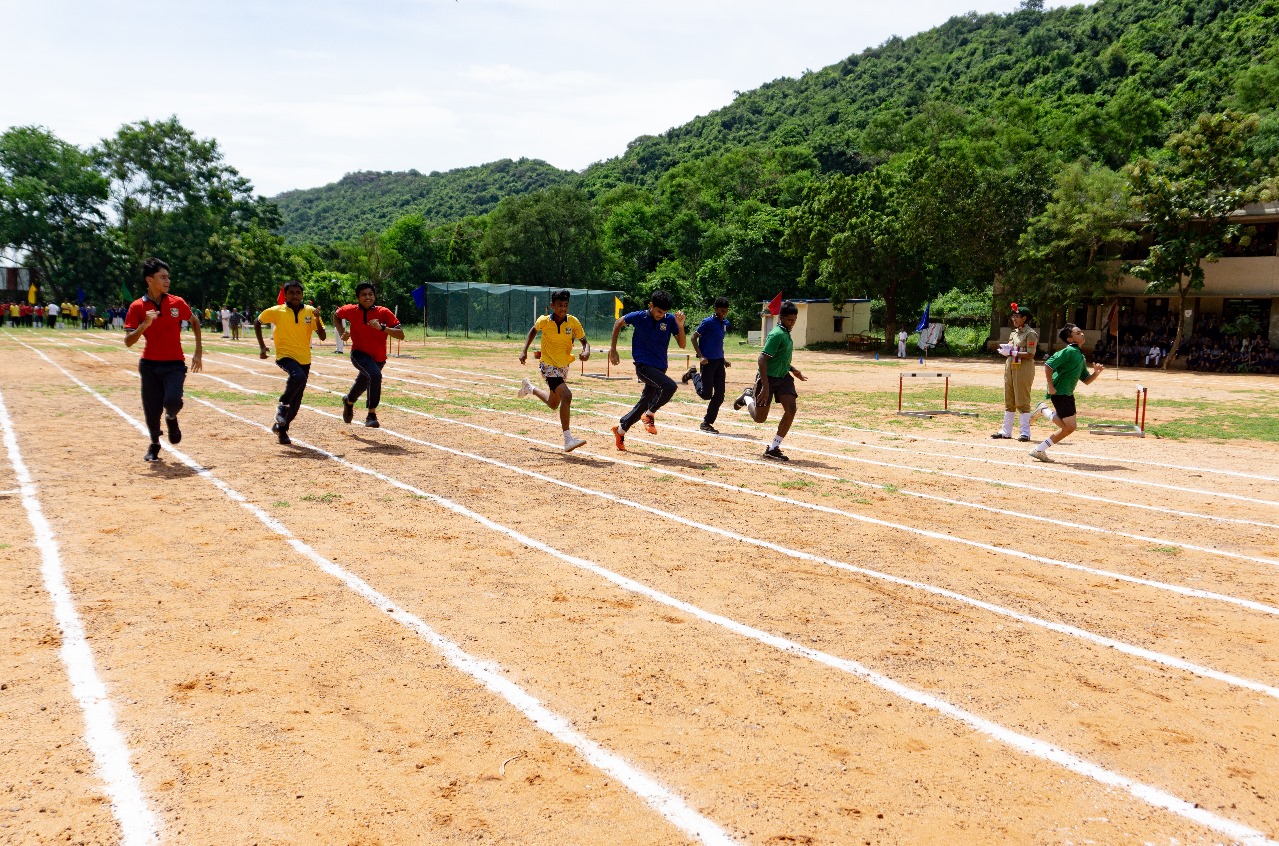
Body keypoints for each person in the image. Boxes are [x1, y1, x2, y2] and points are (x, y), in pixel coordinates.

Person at [123, 258, 203, 461]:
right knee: (152, 409)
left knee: (173, 401)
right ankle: (154, 444)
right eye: (162, 277)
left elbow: (194, 321)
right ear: (149, 280)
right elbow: (128, 341)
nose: (168, 281)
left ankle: (171, 416)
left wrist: (198, 352)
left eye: (168, 277)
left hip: (174, 364)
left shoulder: (177, 302)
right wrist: (144, 325)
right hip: (149, 365)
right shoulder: (137, 306)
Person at [607, 289, 686, 451]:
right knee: (670, 386)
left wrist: (680, 326)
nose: (661, 315)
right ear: (651, 305)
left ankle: (620, 429)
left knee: (644, 402)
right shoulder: (639, 316)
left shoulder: (670, 320)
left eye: (664, 312)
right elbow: (618, 323)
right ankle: (650, 414)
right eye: (658, 311)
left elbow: (682, 344)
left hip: (660, 367)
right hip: (643, 366)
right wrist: (613, 349)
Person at [732, 301, 807, 460]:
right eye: (789, 320)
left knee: (791, 409)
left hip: (783, 378)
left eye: (794, 320)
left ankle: (773, 448)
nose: (792, 323)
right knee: (760, 418)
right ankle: (747, 397)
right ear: (781, 318)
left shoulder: (786, 333)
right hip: (767, 378)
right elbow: (762, 359)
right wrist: (765, 388)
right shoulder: (777, 334)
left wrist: (793, 370)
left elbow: (779, 357)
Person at [517, 289, 589, 452]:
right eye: (559, 305)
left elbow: (585, 341)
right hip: (548, 365)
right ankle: (568, 439)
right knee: (567, 395)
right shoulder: (544, 321)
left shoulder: (573, 322)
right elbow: (533, 331)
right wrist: (524, 350)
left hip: (563, 366)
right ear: (552, 306)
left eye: (565, 305)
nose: (563, 309)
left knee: (553, 403)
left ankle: (529, 388)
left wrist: (586, 351)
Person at [255, 281, 326, 445]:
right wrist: (262, 346)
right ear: (285, 294)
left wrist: (317, 319)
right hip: (285, 356)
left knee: (296, 402)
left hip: (304, 359)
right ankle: (282, 405)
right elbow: (257, 322)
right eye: (291, 292)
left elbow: (322, 337)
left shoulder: (310, 312)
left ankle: (281, 429)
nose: (295, 296)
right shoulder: (277, 311)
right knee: (298, 377)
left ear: (302, 294)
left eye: (298, 292)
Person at [1029, 323, 1104, 462]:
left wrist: (1096, 373)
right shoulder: (1068, 351)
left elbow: (1086, 380)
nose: (1082, 334)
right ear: (1070, 339)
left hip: (1068, 393)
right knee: (1070, 427)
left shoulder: (1080, 356)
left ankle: (1040, 444)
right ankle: (1043, 416)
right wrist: (1050, 386)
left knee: (1068, 428)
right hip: (1059, 392)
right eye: (1078, 333)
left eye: (1081, 331)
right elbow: (1048, 365)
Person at [333, 282, 403, 429]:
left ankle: (348, 401)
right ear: (358, 297)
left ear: (374, 296)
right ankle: (371, 415)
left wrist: (382, 327)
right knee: (375, 376)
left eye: (370, 294)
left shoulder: (383, 312)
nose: (367, 297)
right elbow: (336, 315)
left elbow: (400, 334)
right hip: (359, 354)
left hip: (379, 357)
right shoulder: (351, 310)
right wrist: (341, 332)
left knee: (363, 383)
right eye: (363, 295)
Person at [682, 296, 732, 433]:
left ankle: (706, 423)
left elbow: (718, 343)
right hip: (708, 362)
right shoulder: (708, 322)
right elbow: (693, 337)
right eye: (722, 311)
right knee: (706, 395)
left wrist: (724, 360)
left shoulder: (725, 323)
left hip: (719, 362)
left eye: (726, 311)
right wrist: (701, 356)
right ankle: (693, 374)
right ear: (715, 309)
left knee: (720, 395)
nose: (724, 313)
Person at [992, 303, 1038, 442]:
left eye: (1017, 316)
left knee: (1022, 400)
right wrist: (1006, 351)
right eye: (1013, 316)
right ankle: (1006, 431)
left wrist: (1013, 352)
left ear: (1024, 318)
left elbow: (1030, 354)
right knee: (1009, 399)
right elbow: (1012, 348)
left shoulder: (1030, 334)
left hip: (1023, 369)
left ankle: (1025, 432)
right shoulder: (1014, 333)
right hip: (1010, 367)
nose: (1014, 319)